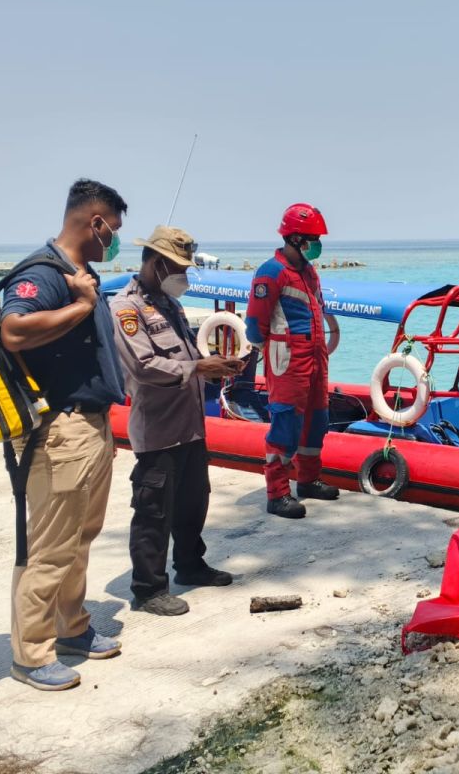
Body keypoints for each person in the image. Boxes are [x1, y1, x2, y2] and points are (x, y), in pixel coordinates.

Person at [0, 179, 129, 691]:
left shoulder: (81, 274)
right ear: (94, 222)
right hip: (59, 431)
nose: (114, 240)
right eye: (112, 231)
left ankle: (72, 627)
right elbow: (13, 330)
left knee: (81, 537)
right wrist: (78, 307)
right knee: (50, 546)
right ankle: (30, 654)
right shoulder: (43, 273)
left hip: (91, 425)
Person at [111, 226, 246, 617]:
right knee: (154, 510)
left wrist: (214, 369)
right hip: (159, 430)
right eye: (178, 268)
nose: (184, 277)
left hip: (190, 425)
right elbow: (144, 366)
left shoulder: (169, 305)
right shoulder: (127, 308)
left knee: (192, 501)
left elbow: (184, 357)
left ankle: (190, 564)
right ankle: (149, 588)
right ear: (156, 264)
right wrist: (198, 366)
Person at [244, 203, 340, 519]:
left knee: (317, 419)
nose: (317, 244)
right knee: (286, 422)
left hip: (315, 357)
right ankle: (277, 493)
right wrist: (271, 351)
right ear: (296, 237)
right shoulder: (271, 272)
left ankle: (308, 480)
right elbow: (255, 323)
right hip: (288, 358)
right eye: (313, 237)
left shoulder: (309, 272)